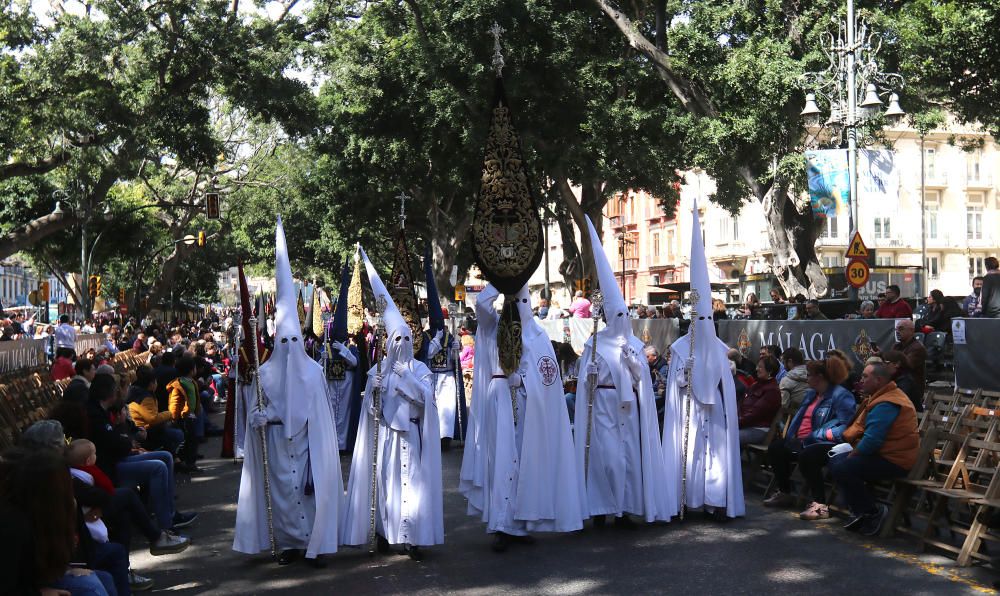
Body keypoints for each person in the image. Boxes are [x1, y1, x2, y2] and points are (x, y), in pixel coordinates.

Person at [234, 216, 343, 566]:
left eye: (295, 339)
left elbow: (324, 416)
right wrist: (261, 418)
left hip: (308, 446)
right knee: (282, 494)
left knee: (309, 495)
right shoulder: (264, 374)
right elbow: (251, 414)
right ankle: (289, 545)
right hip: (278, 446)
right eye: (284, 340)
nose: (290, 345)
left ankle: (315, 544)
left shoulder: (313, 373)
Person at [459, 283, 584, 552]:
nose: (518, 306)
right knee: (502, 461)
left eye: (522, 300)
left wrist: (524, 381)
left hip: (528, 405)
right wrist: (503, 278)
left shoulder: (538, 336)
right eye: (514, 300)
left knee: (524, 463)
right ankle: (501, 525)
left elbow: (547, 377)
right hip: (500, 400)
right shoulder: (493, 326)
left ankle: (520, 524)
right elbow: (482, 304)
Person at [341, 247, 443, 560]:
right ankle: (385, 532)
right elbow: (371, 413)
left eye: (407, 340)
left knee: (412, 486)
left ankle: (412, 537)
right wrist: (375, 391)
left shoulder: (421, 370)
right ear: (388, 342)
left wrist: (407, 379)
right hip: (386, 436)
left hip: (411, 435)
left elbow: (428, 403)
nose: (402, 345)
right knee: (386, 486)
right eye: (396, 340)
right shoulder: (378, 370)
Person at [573, 216, 673, 527]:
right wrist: (588, 371)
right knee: (607, 458)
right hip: (602, 405)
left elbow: (643, 377)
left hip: (627, 406)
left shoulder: (632, 342)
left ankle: (626, 508)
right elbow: (583, 381)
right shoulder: (594, 342)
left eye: (623, 313)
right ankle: (601, 506)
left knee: (629, 458)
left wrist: (633, 364)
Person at [662, 201, 743, 520]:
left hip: (716, 412)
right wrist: (685, 377)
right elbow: (675, 383)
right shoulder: (682, 347)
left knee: (716, 456)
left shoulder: (719, 346)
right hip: (690, 411)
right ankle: (688, 499)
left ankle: (716, 501)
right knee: (692, 453)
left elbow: (728, 377)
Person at [0, 447, 115, 595]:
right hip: (23, 585)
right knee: (90, 587)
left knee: (104, 578)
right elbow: (8, 581)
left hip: (37, 577)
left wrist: (68, 568)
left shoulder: (40, 512)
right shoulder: (13, 523)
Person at [830, 363, 920, 536]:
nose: (860, 380)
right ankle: (858, 508)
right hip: (882, 455)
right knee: (835, 459)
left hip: (895, 461)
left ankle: (872, 512)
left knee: (843, 466)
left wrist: (851, 456)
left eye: (865, 377)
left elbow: (871, 441)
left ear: (878, 380)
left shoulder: (888, 402)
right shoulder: (880, 396)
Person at [764, 358, 855, 521]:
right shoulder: (811, 394)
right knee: (777, 448)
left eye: (809, 375)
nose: (807, 378)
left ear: (819, 377)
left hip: (827, 444)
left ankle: (820, 505)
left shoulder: (841, 396)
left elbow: (844, 426)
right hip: (804, 441)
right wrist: (791, 437)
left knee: (808, 455)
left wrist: (817, 435)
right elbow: (800, 418)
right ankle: (785, 493)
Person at [128, 365, 184, 454]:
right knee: (177, 433)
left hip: (136, 428)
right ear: (151, 384)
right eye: (155, 382)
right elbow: (153, 419)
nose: (156, 384)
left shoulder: (134, 390)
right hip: (143, 431)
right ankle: (175, 459)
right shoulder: (146, 397)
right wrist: (169, 414)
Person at [737, 356, 781, 446]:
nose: (756, 369)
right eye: (757, 366)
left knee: (728, 437)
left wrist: (736, 423)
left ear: (770, 371)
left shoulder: (772, 391)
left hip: (758, 429)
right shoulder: (755, 385)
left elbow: (755, 413)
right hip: (745, 424)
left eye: (760, 367)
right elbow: (741, 404)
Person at [888, 319, 926, 401]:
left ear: (911, 331)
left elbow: (908, 364)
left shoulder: (918, 348)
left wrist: (896, 357)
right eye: (896, 329)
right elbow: (891, 363)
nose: (897, 331)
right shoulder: (896, 346)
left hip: (911, 389)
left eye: (901, 329)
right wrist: (881, 355)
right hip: (897, 384)